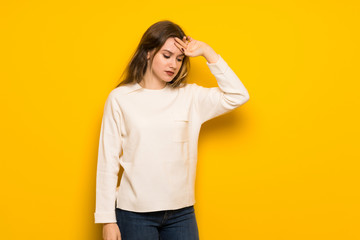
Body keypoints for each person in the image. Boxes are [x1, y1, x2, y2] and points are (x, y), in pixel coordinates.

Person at [94, 20, 250, 240]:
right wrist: (107, 220)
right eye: (166, 56)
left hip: (182, 213)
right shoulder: (120, 98)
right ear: (148, 53)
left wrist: (207, 52)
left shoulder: (190, 97)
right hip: (134, 214)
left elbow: (238, 95)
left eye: (179, 58)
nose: (173, 65)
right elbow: (107, 161)